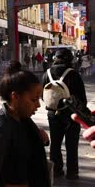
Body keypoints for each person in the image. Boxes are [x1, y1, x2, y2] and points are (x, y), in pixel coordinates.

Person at [42, 48, 87, 180]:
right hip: (71, 115)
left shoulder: (47, 73)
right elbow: (82, 98)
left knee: (55, 143)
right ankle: (72, 173)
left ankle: (56, 170)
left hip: (53, 113)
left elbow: (42, 94)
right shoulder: (74, 74)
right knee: (71, 145)